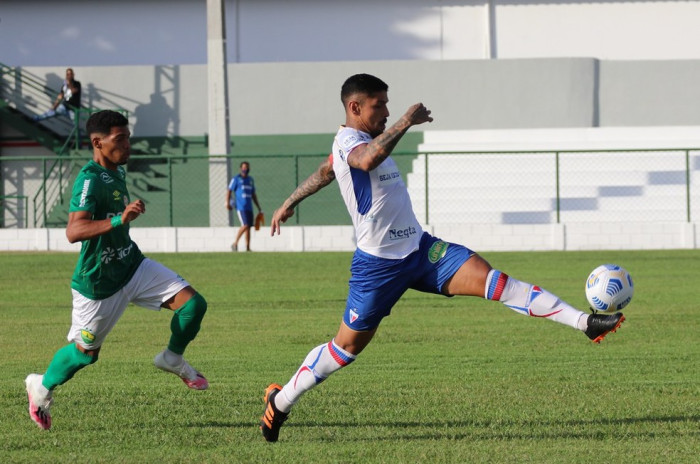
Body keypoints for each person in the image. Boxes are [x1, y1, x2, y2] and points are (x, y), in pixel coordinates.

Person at [259, 73, 626, 442]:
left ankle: (585, 323)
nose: (386, 111)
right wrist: (406, 120)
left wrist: (289, 202)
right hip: (378, 267)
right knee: (345, 349)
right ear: (355, 107)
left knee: (496, 283)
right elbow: (366, 160)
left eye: (388, 105)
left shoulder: (359, 143)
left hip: (422, 251)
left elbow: (327, 171)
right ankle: (282, 399)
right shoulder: (350, 141)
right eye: (379, 105)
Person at [24, 110, 209, 431]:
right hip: (98, 283)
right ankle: (40, 387)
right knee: (85, 355)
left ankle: (172, 358)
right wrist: (118, 219)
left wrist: (122, 220)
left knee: (193, 305)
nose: (127, 145)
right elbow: (73, 231)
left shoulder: (116, 173)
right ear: (98, 143)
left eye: (128, 138)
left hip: (132, 265)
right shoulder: (89, 179)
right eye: (120, 139)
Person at [226, 161, 262, 251]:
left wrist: (258, 207)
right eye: (244, 167)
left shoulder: (250, 180)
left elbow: (253, 194)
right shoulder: (236, 179)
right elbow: (229, 191)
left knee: (249, 227)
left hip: (249, 207)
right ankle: (235, 243)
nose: (245, 169)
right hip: (241, 207)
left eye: (247, 167)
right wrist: (227, 202)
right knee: (245, 225)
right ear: (240, 168)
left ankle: (248, 247)